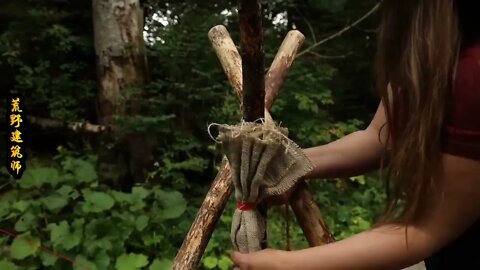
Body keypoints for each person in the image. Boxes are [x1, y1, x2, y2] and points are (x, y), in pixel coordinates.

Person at [231, 0, 480, 269]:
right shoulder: (431, 55)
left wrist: (287, 264)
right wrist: (290, 163)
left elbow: (428, 229)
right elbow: (377, 140)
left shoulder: (473, 74)